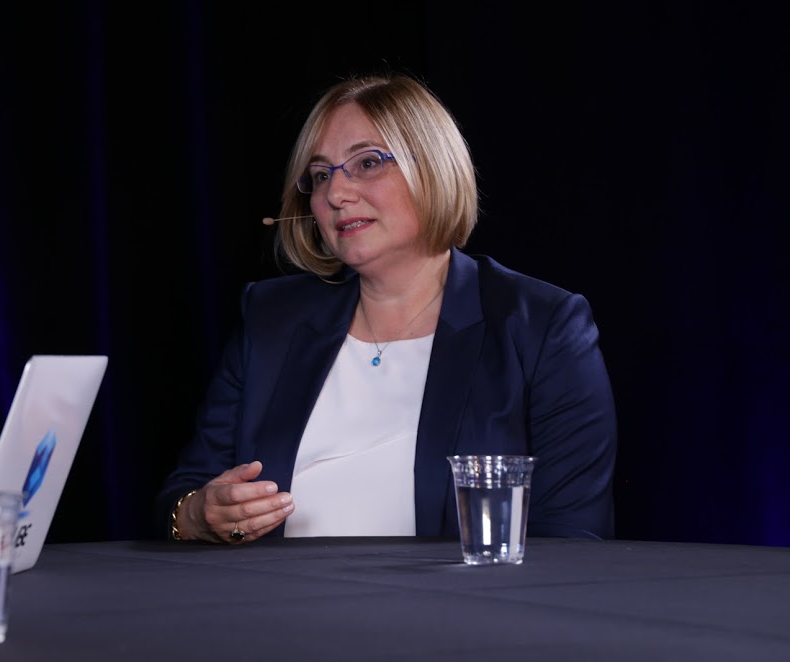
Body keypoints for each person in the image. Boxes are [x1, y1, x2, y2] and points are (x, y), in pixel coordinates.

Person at [155, 72, 617, 544]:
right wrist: (197, 516)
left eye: (368, 163)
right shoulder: (271, 317)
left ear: (433, 168)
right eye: (320, 175)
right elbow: (186, 490)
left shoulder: (541, 325)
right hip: (275, 594)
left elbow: (573, 537)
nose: (335, 194)